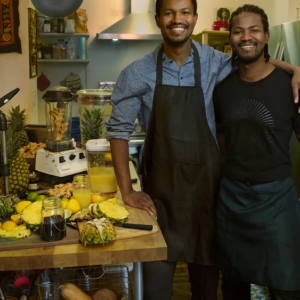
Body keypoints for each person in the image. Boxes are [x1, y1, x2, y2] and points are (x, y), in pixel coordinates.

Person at [105, 0, 300, 299]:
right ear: (158, 19)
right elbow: (118, 131)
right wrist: (128, 192)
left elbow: (255, 59)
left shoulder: (218, 62)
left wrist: (293, 68)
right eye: (169, 13)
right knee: (155, 290)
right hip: (159, 203)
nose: (177, 19)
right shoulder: (136, 72)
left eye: (184, 12)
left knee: (207, 292)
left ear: (195, 18)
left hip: (207, 201)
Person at [213, 4, 300, 300]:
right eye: (238, 31)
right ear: (231, 39)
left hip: (277, 201)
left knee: (285, 287)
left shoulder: (291, 85)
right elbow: (222, 137)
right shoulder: (223, 89)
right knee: (234, 288)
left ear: (265, 37)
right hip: (232, 200)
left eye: (254, 30)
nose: (245, 37)